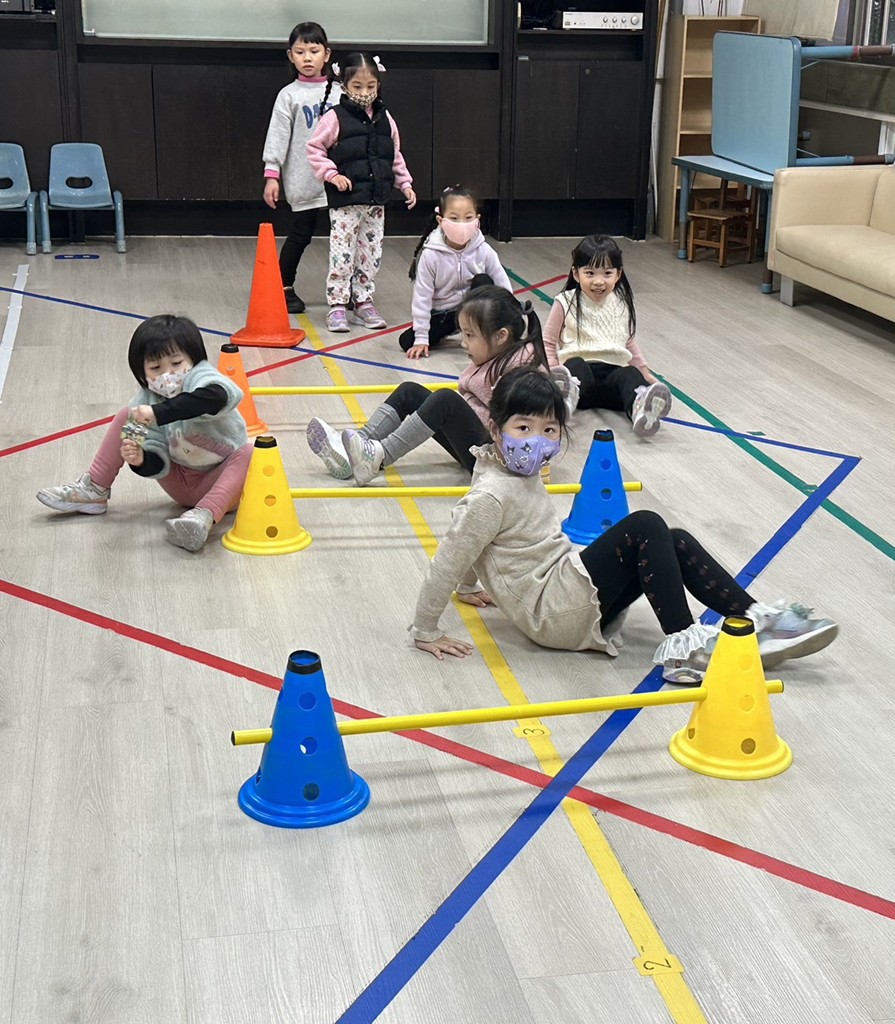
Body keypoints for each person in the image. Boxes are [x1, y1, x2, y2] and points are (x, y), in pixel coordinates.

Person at [408, 367, 838, 683]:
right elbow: (452, 555)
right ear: (495, 429)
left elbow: (480, 543)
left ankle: (754, 620)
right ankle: (684, 646)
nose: (536, 440)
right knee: (645, 525)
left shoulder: (512, 471)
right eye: (523, 427)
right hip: (552, 612)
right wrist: (425, 629)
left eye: (549, 430)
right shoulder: (491, 494)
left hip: (562, 586)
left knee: (674, 539)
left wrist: (469, 587)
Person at [306, 285, 571, 486]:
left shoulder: (522, 367)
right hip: (482, 442)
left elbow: (525, 425)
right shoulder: (499, 355)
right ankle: (360, 445)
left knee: (445, 400)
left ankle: (378, 457)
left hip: (498, 457)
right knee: (410, 391)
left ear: (501, 336)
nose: (464, 343)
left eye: (470, 335)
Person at [36, 315, 252, 553]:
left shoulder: (202, 378)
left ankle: (203, 517)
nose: (167, 374)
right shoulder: (146, 399)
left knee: (250, 452)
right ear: (142, 371)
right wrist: (140, 459)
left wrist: (158, 413)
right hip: (180, 484)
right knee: (127, 415)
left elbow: (216, 397)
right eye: (156, 368)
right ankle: (95, 488)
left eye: (176, 363)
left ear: (194, 359)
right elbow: (156, 461)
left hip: (223, 483)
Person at [307, 52, 416, 333]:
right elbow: (315, 149)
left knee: (371, 253)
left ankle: (364, 300)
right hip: (346, 202)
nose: (365, 92)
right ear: (344, 85)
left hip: (375, 201)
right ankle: (337, 304)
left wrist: (404, 184)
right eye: (357, 86)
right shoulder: (334, 118)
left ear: (378, 85)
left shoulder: (385, 118)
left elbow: (393, 154)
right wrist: (332, 175)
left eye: (371, 86)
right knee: (342, 253)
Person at [545, 234, 673, 438]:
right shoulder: (565, 302)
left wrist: (647, 376)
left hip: (612, 380)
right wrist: (553, 372)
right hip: (581, 384)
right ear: (576, 274)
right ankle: (563, 398)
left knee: (630, 374)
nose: (598, 281)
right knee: (576, 364)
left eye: (607, 273)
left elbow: (629, 342)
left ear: (618, 274)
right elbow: (548, 342)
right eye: (590, 273)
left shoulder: (621, 304)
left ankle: (640, 410)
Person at [262, 22, 339, 315]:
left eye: (314, 51)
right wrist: (272, 175)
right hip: (304, 178)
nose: (307, 58)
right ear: (290, 55)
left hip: (340, 180)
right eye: (300, 51)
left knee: (345, 237)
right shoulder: (289, 95)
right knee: (301, 233)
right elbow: (277, 136)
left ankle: (348, 290)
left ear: (326, 54)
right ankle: (283, 286)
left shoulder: (341, 92)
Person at [400, 185, 512, 359]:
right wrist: (421, 337)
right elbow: (422, 297)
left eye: (468, 218)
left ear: (477, 219)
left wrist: (510, 320)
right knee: (406, 341)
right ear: (441, 221)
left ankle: (483, 333)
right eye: (454, 218)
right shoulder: (430, 255)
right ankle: (457, 330)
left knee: (483, 281)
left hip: (473, 309)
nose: (462, 224)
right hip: (445, 315)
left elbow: (503, 285)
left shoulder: (484, 250)